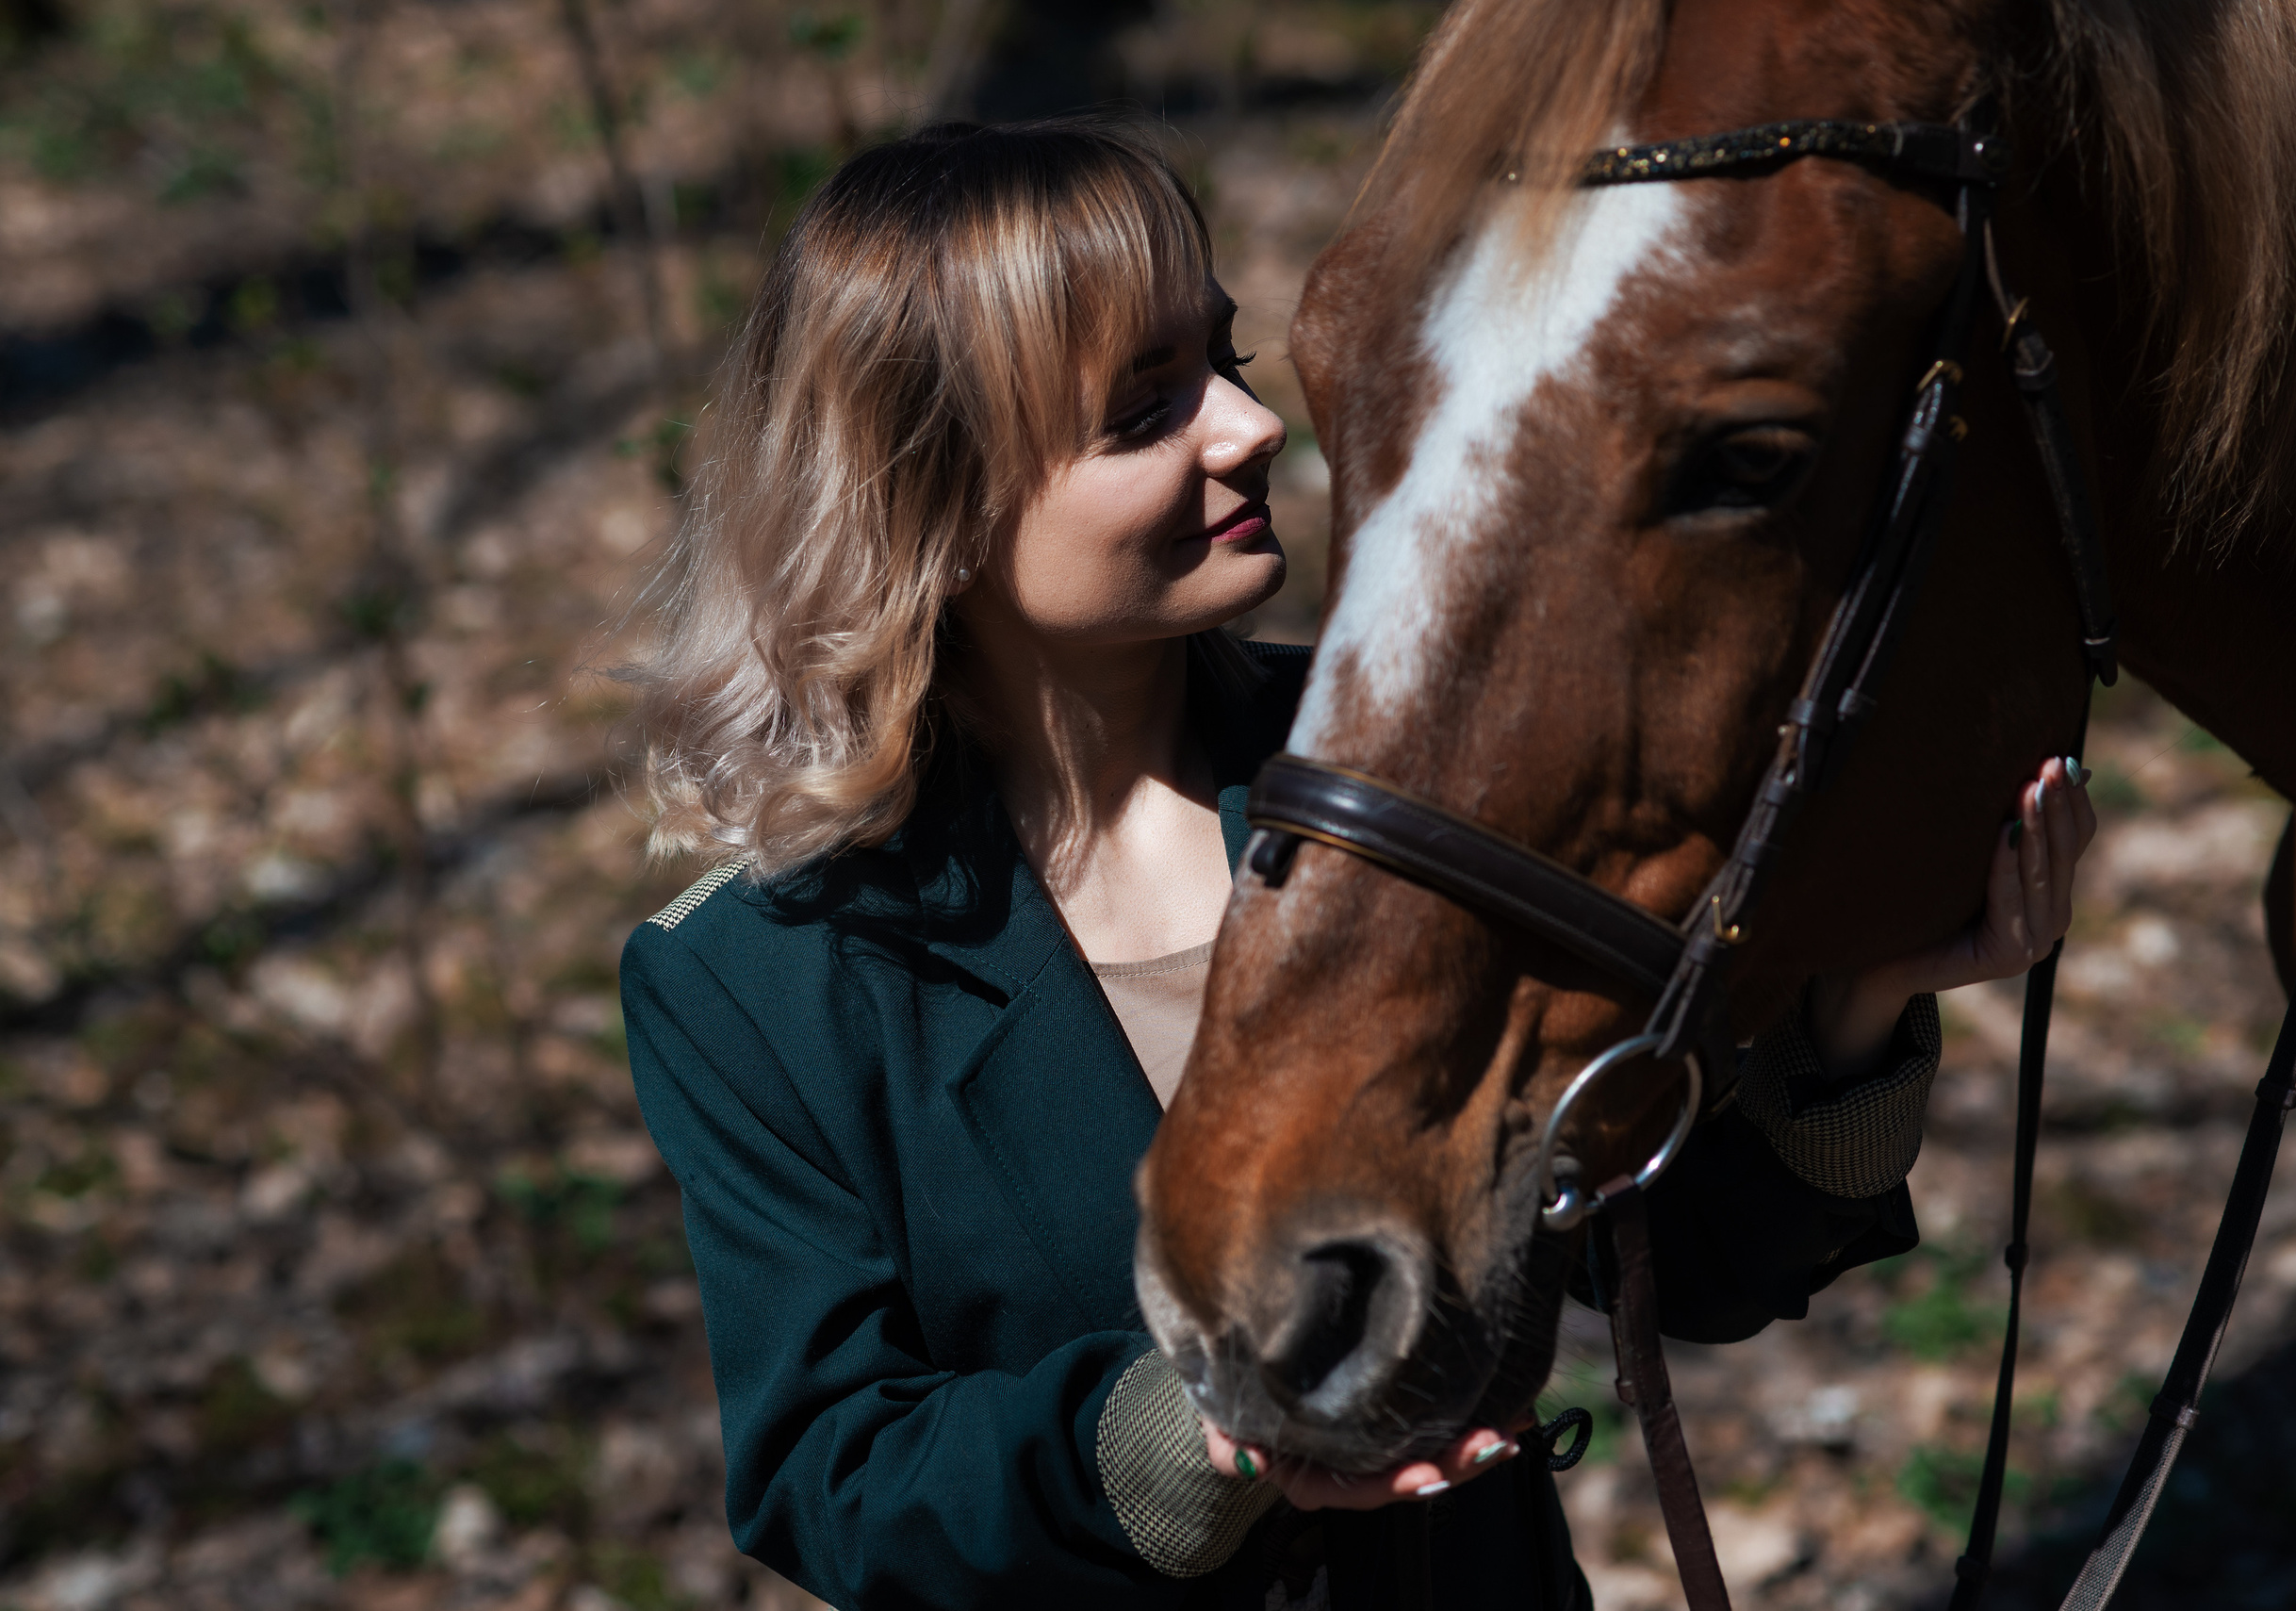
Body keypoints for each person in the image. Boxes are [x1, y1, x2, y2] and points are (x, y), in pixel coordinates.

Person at [618, 120, 2097, 1611]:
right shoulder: (760, 977)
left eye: (1225, 358)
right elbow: (834, 1477)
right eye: (1143, 411)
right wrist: (1187, 1444)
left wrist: (1862, 1006)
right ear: (927, 506)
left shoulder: (1416, 775)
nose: (1249, 427)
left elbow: (1691, 1259)